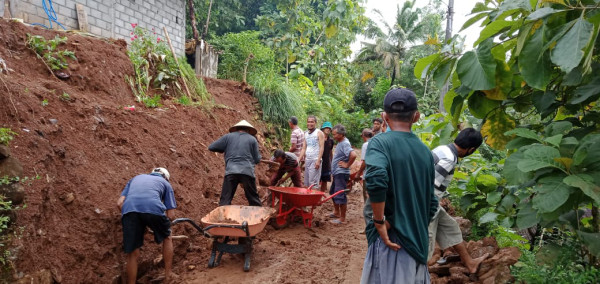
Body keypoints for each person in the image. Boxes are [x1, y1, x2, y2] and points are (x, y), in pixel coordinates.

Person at [361, 88, 439, 283]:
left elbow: (376, 178)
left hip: (393, 244)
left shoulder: (380, 143)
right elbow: (431, 204)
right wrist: (411, 222)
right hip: (418, 245)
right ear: (417, 117)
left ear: (384, 117)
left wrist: (380, 222)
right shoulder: (426, 152)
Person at [428, 128, 489, 273]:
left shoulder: (443, 149)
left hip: (430, 202)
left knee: (451, 227)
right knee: (426, 246)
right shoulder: (449, 159)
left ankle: (470, 263)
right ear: (471, 149)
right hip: (426, 204)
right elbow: (428, 186)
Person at [117, 167, 177, 284]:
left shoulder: (134, 179)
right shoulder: (165, 183)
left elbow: (119, 203)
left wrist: (135, 219)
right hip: (153, 208)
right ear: (166, 178)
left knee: (133, 253)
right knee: (167, 237)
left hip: (129, 210)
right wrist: (161, 224)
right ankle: (168, 275)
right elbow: (171, 215)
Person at [208, 120, 262, 206]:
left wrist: (224, 149)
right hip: (247, 172)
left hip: (231, 171)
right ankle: (258, 217)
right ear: (248, 130)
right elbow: (257, 159)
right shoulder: (252, 139)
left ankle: (222, 217)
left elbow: (211, 147)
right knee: (253, 199)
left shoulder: (228, 137)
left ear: (236, 129)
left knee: (225, 199)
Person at [329, 124, 356, 224]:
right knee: (333, 192)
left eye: (335, 134)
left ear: (341, 134)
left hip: (341, 173)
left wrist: (347, 164)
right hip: (337, 173)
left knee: (340, 195)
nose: (333, 136)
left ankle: (342, 218)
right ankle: (336, 212)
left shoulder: (344, 143)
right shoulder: (341, 142)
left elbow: (353, 155)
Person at [352, 128, 373, 230]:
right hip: (375, 174)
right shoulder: (376, 142)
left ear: (363, 136)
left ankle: (368, 228)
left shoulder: (365, 145)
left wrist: (358, 174)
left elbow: (364, 161)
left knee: (367, 203)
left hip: (367, 175)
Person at [298, 115, 325, 190]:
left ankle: (314, 200)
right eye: (308, 122)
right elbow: (304, 148)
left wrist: (318, 160)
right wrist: (298, 159)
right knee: (306, 182)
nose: (310, 123)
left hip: (315, 160)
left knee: (313, 183)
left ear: (315, 123)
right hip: (308, 160)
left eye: (312, 122)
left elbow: (321, 147)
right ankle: (308, 199)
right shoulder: (306, 133)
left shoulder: (319, 133)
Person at [319, 121, 334, 191]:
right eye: (326, 128)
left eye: (329, 128)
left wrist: (332, 161)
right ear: (322, 129)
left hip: (326, 162)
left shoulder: (331, 140)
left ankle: (321, 195)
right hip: (318, 161)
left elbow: (330, 152)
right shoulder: (318, 138)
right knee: (316, 179)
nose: (328, 129)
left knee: (324, 180)